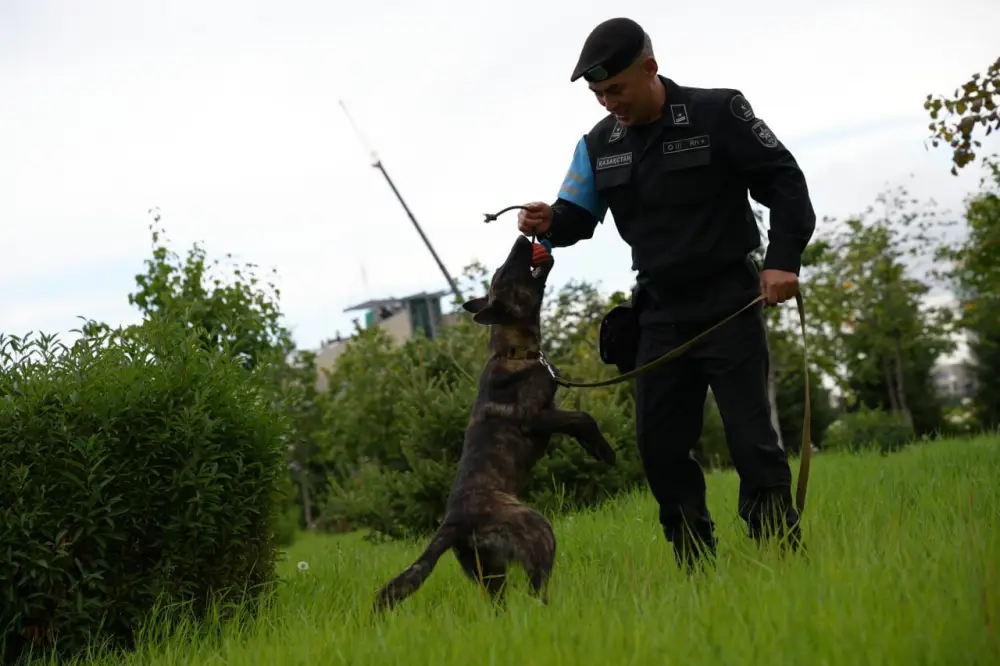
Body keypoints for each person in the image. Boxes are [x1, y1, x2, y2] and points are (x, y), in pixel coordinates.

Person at [517, 17, 816, 571]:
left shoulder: (717, 112)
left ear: (650, 69)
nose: (609, 103)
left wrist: (782, 262)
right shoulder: (597, 144)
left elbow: (785, 181)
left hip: (731, 302)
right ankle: (696, 567)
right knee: (660, 450)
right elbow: (576, 217)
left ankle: (781, 558)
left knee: (753, 444)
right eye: (599, 94)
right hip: (659, 314)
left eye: (617, 89)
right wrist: (547, 220)